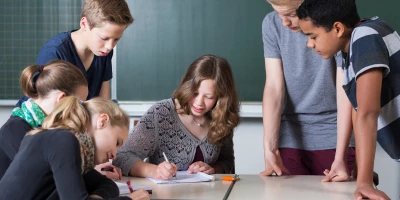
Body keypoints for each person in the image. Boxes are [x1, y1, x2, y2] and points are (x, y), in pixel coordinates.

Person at [297, 0, 400, 199]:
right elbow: (359, 107)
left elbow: (368, 113)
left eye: (313, 36)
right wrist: (360, 171)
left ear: (337, 28)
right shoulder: (354, 44)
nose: (309, 44)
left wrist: (364, 183)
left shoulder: (364, 37)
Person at [259, 0, 355, 178]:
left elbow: (345, 91)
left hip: (333, 134)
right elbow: (273, 86)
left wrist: (340, 155)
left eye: (291, 15)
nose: (284, 22)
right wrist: (269, 149)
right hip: (290, 136)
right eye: (279, 13)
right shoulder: (271, 24)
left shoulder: (334, 25)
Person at [114, 54, 240, 180]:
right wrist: (154, 171)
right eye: (194, 93)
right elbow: (122, 157)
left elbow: (227, 162)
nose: (199, 102)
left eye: (209, 97)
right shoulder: (161, 113)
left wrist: (213, 169)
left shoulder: (221, 117)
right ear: (187, 87)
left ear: (221, 98)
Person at [0, 96, 150, 200]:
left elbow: (107, 185)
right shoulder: (63, 140)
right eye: (117, 142)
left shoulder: (75, 149)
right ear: (102, 121)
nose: (114, 155)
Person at [16, 0, 134, 107]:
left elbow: (103, 101)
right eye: (104, 38)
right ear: (84, 24)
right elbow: (51, 110)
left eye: (116, 39)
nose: (109, 46)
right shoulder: (54, 51)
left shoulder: (103, 51)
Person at [0, 60, 88, 180]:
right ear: (62, 99)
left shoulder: (53, 128)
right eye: (79, 103)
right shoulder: (14, 129)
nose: (81, 111)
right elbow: (48, 177)